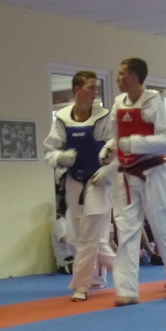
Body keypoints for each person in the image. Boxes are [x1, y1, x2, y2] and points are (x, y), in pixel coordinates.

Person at [100, 57, 166, 306]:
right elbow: (116, 138)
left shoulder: (152, 101)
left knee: (161, 227)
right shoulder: (118, 103)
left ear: (134, 77)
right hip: (125, 175)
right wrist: (109, 149)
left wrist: (135, 143)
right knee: (125, 231)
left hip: (152, 173)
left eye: (121, 73)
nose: (117, 78)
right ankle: (126, 290)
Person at [44, 70, 115, 301]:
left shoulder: (104, 117)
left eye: (96, 88)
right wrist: (61, 158)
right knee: (78, 239)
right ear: (77, 89)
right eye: (90, 87)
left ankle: (81, 285)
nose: (95, 92)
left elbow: (119, 148)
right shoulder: (62, 118)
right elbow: (49, 152)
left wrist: (107, 170)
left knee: (88, 238)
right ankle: (123, 272)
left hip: (98, 182)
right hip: (74, 181)